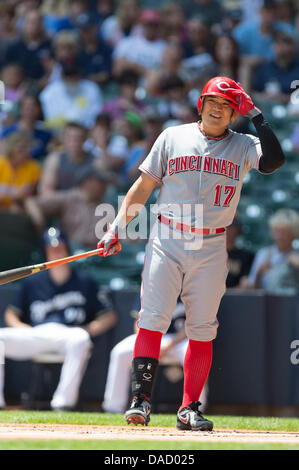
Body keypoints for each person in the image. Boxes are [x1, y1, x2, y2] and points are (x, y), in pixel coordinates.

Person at [96, 76, 285, 431]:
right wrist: (116, 227)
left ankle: (189, 408)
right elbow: (143, 187)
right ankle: (140, 400)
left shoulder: (244, 144)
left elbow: (275, 161)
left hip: (212, 243)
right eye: (212, 101)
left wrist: (257, 115)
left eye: (227, 105)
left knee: (202, 328)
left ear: (235, 113)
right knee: (152, 318)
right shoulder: (172, 136)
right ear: (200, 103)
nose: (217, 108)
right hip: (167, 235)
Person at [0, 227, 117, 411]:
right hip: (36, 334)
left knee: (80, 339)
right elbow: (11, 313)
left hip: (68, 334)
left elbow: (109, 316)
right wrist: (22, 327)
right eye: (52, 250)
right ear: (46, 252)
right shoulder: (33, 281)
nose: (57, 253)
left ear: (67, 250)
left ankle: (63, 404)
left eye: (60, 249)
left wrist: (88, 329)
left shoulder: (84, 281)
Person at [102, 300, 208, 414]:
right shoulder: (153, 285)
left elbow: (193, 326)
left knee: (193, 351)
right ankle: (113, 408)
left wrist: (169, 345)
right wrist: (147, 344)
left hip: (180, 340)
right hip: (150, 338)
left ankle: (195, 408)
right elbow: (139, 322)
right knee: (120, 352)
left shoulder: (190, 287)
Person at [25, 167, 111, 250]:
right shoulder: (68, 198)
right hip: (71, 252)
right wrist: (38, 219)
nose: (105, 187)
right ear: (87, 182)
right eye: (101, 183)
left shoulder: (106, 206)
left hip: (97, 254)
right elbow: (31, 202)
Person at [247, 209, 299, 294]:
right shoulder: (263, 254)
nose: (280, 237)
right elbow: (251, 290)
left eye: (284, 233)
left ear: (294, 234)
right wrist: (258, 274)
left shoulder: (296, 255)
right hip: (268, 305)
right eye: (277, 232)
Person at [39, 122, 95, 194]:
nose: (74, 142)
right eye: (70, 138)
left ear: (85, 139)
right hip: (58, 201)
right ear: (63, 139)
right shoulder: (54, 159)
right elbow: (46, 190)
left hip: (84, 203)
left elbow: (93, 193)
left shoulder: (95, 161)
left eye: (79, 138)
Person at [251, 31, 299, 105]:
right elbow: (253, 93)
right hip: (267, 109)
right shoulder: (265, 68)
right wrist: (264, 96)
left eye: (285, 43)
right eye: (277, 43)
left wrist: (285, 98)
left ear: (293, 47)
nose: (281, 47)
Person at [0, 130, 41, 211]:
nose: (26, 151)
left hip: (19, 209)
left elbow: (27, 196)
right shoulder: (1, 163)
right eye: (21, 147)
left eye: (29, 147)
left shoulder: (34, 167)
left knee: (17, 208)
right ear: (11, 148)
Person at [226, 217, 254, 288]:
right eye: (226, 227)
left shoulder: (246, 256)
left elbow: (245, 283)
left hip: (234, 297)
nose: (228, 230)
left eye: (231, 227)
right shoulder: (211, 255)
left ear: (238, 230)